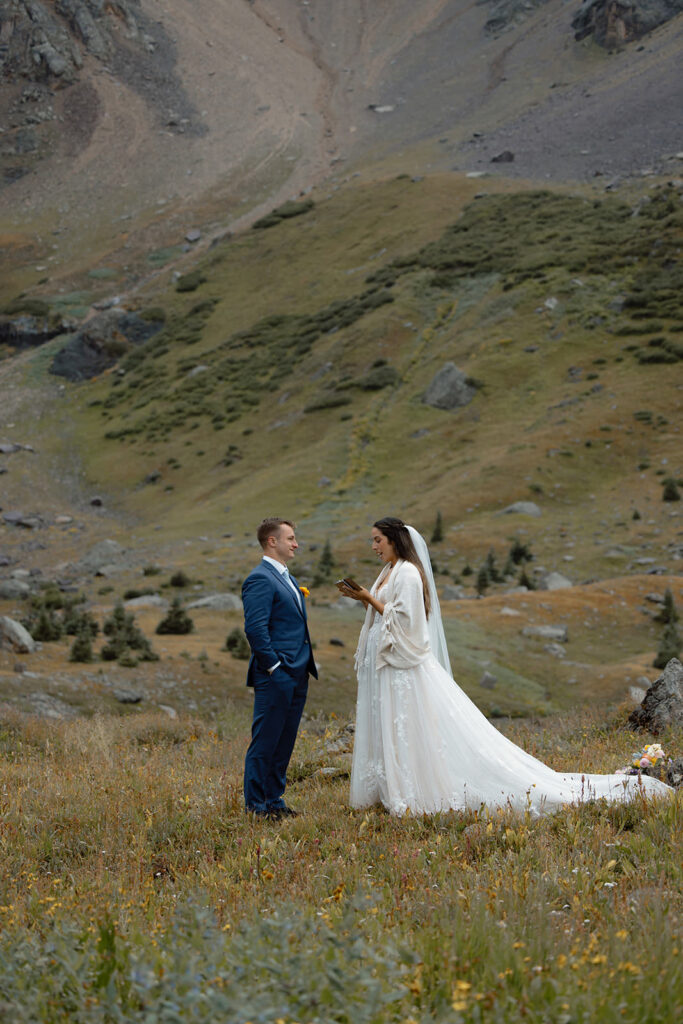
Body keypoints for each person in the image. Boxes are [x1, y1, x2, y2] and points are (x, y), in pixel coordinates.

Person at [337, 516, 672, 816]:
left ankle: (416, 787)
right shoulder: (389, 571)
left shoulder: (408, 573)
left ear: (395, 540)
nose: (374, 547)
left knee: (412, 726)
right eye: (373, 541)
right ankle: (389, 785)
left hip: (403, 666)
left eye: (377, 540)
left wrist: (368, 598)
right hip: (388, 666)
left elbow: (407, 621)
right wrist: (366, 598)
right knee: (396, 725)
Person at [242, 517, 317, 818]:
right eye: (290, 538)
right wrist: (274, 667)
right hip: (276, 674)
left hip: (298, 673)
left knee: (285, 741)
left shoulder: (285, 576)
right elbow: (255, 629)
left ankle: (275, 801)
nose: (296, 544)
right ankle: (256, 808)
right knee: (266, 741)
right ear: (272, 541)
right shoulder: (260, 578)